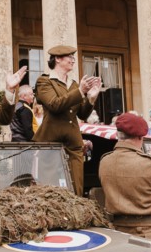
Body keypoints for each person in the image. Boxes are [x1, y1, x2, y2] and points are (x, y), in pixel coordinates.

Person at [99, 113, 151, 242]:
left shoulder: (105, 161)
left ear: (118, 135)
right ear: (140, 137)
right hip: (150, 233)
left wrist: (149, 159)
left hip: (117, 233)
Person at [33, 45, 102, 196]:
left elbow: (82, 114)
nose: (73, 60)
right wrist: (80, 92)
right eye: (69, 57)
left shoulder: (74, 84)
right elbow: (55, 105)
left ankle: (77, 219)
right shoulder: (44, 81)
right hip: (50, 142)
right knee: (49, 189)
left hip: (73, 143)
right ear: (57, 59)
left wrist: (91, 97)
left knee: (76, 187)